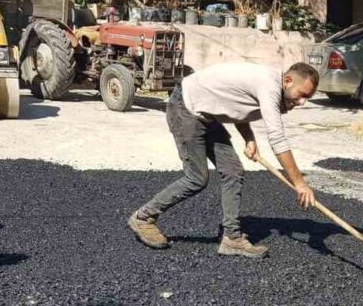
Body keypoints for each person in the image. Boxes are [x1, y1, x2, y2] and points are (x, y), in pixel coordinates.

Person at [129, 62, 320, 259]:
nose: (303, 102)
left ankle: (232, 238)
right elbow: (278, 139)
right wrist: (300, 183)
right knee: (196, 178)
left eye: (309, 97)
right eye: (303, 94)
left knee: (233, 170)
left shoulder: (270, 82)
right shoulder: (269, 85)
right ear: (287, 81)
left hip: (207, 116)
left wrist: (249, 139)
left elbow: (235, 103)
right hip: (185, 108)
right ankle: (143, 217)